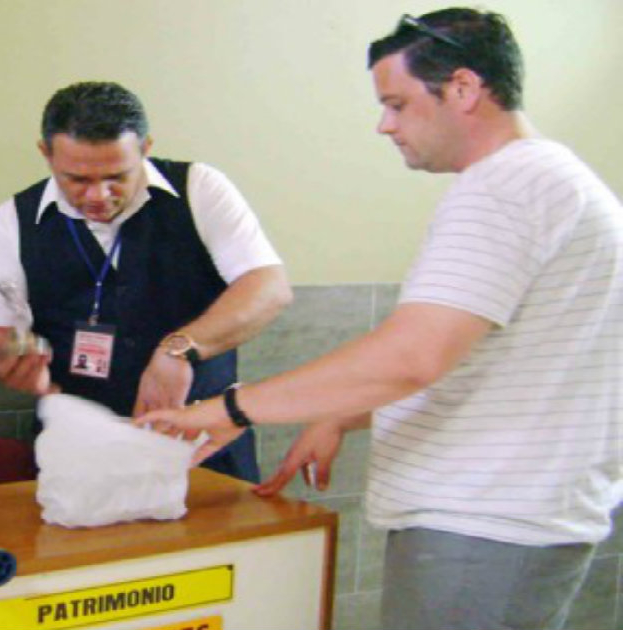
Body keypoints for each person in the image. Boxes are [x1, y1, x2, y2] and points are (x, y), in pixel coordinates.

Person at [136, 8, 622, 630]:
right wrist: (341, 409)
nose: (383, 125)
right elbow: (480, 354)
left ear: (464, 89)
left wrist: (228, 408)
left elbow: (411, 355)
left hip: (484, 526)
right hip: (510, 521)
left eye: (397, 103)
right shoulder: (550, 180)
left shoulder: (506, 187)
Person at [0, 81, 291, 482]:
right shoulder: (10, 222)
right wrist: (7, 361)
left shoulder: (200, 189)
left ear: (145, 148)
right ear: (46, 154)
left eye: (117, 176)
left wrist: (180, 351)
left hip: (203, 446)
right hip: (80, 450)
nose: (98, 195)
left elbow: (269, 286)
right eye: (77, 179)